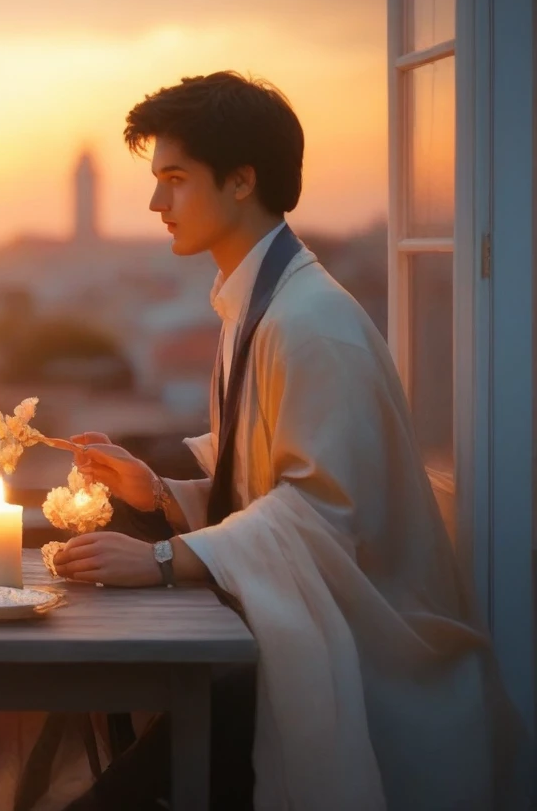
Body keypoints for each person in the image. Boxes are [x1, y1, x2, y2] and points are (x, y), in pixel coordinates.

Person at [55, 72, 528, 810]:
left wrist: (161, 557)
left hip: (367, 665)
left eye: (174, 180)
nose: (155, 204)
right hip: (288, 637)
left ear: (242, 181)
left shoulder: (311, 324)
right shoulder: (259, 303)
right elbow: (272, 485)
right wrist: (163, 495)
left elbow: (321, 513)